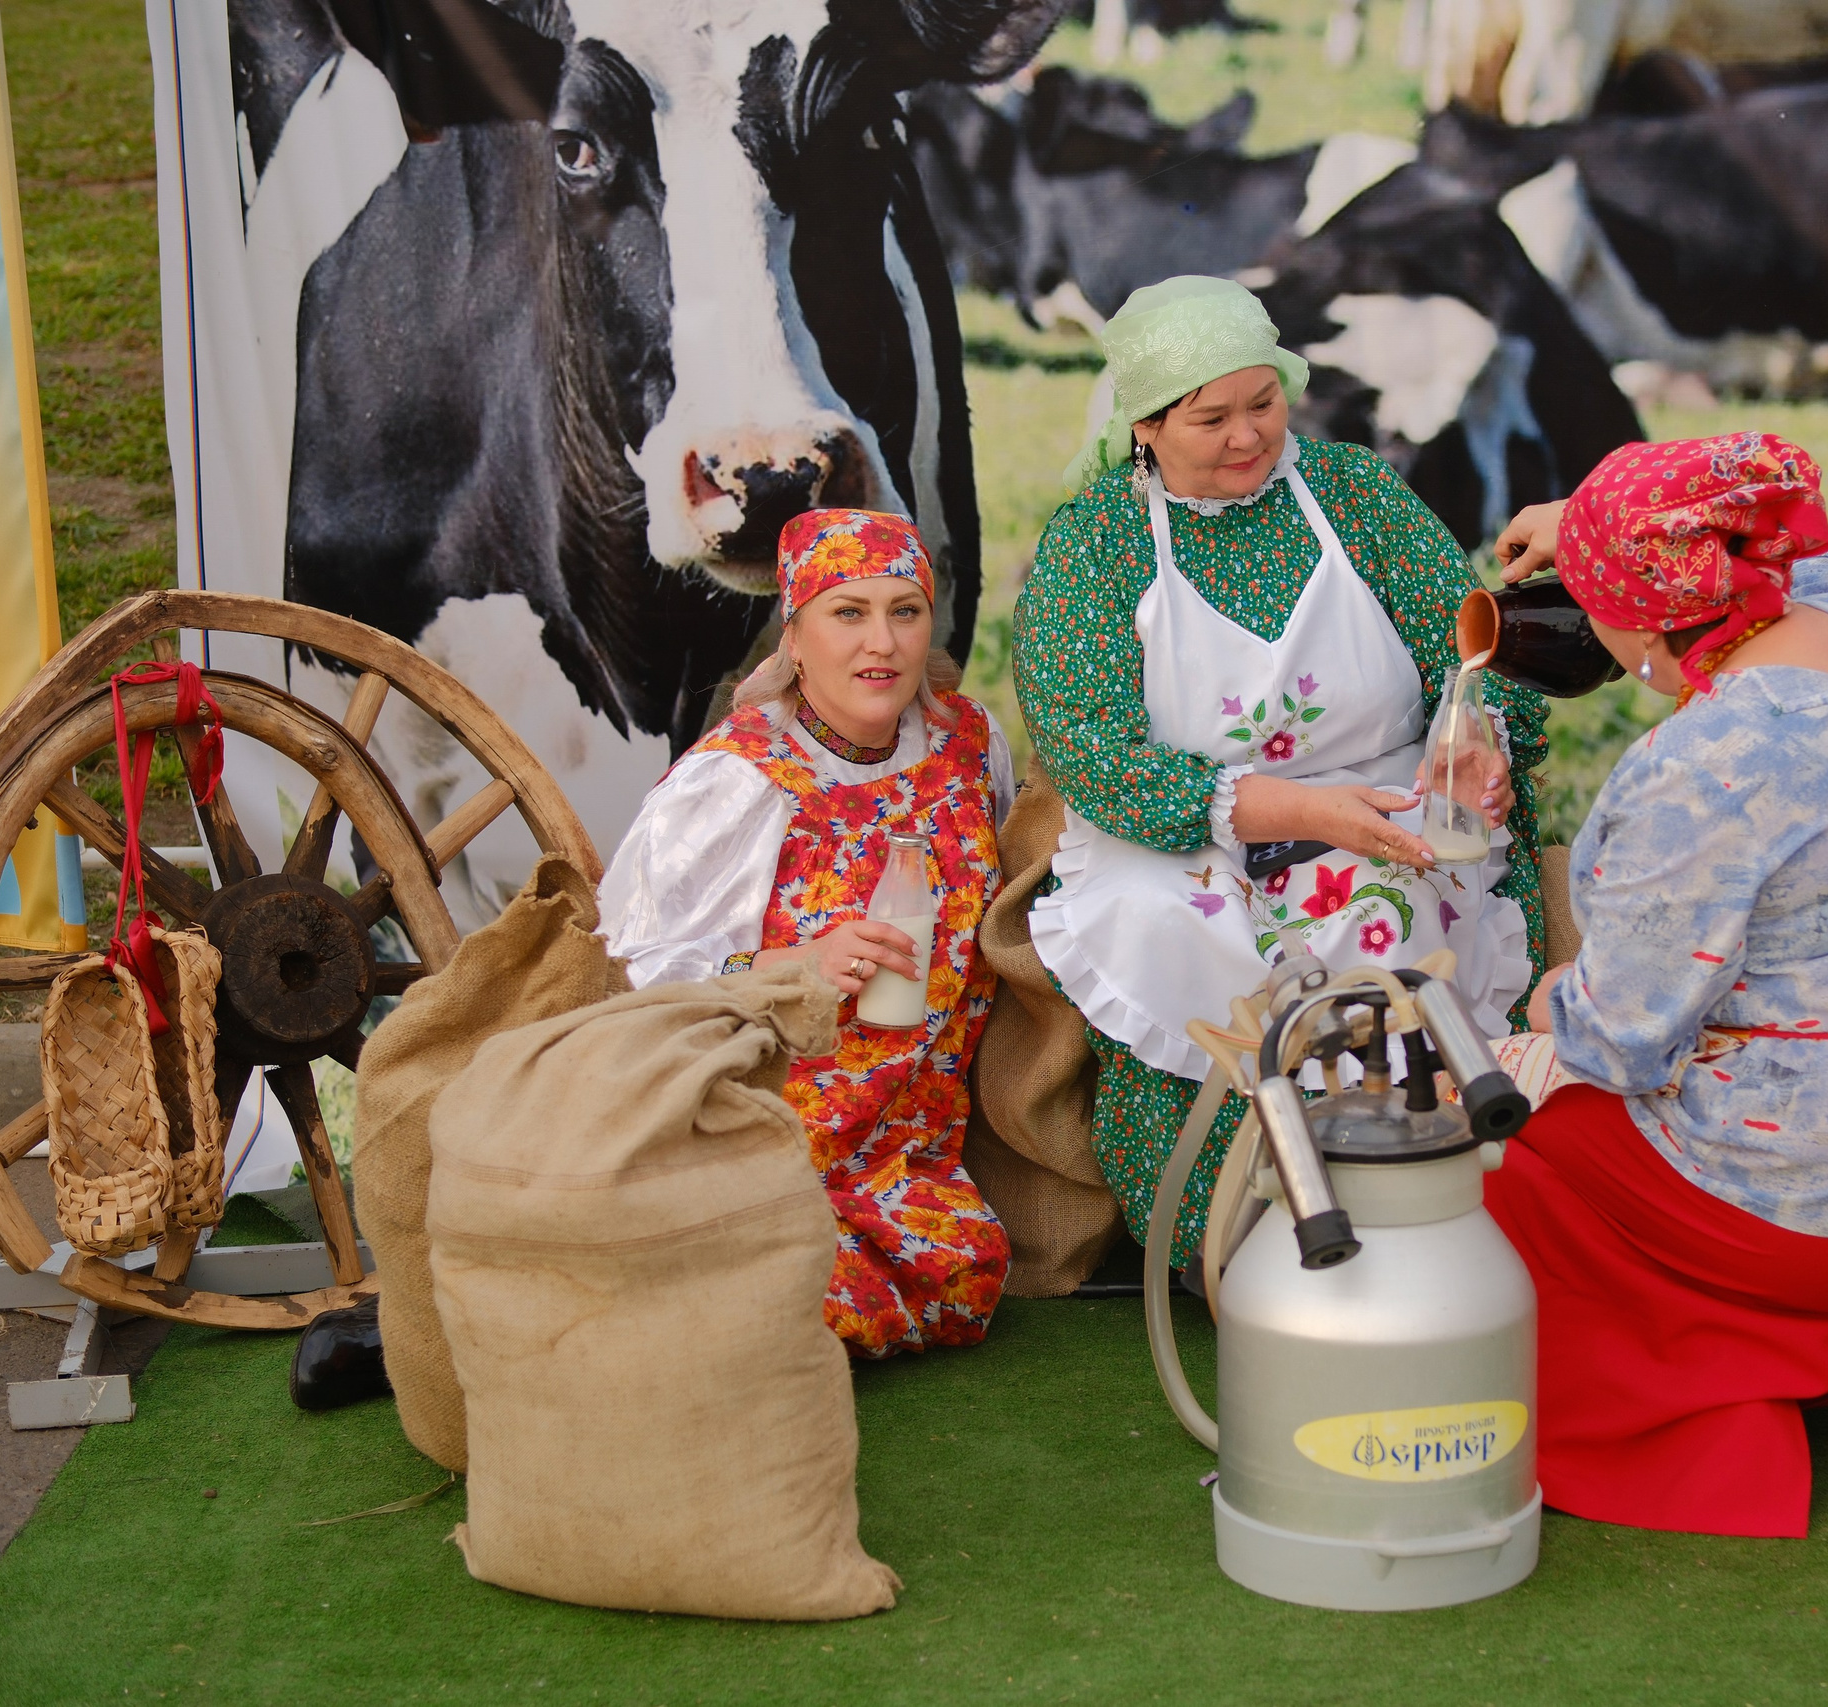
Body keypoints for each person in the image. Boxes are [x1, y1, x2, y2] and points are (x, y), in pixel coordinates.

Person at [1478, 433, 1828, 1537]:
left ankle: (1733, 1399)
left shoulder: (1705, 772)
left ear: (1646, 630)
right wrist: (1585, 522)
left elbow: (1620, 1039)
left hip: (1825, 1205)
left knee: (1511, 1175)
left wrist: (1550, 1002)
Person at [1015, 275, 1549, 1271]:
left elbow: (1471, 649)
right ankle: (1241, 1241)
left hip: (1387, 793)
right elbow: (1091, 747)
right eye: (1210, 418)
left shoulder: (1354, 495)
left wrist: (1475, 737)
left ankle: (1422, 1213)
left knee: (1393, 899)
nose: (1247, 435)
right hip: (1184, 822)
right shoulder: (1097, 542)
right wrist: (1299, 812)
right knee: (1173, 925)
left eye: (1263, 402)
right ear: (1145, 425)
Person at [599, 509, 1014, 1359]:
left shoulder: (968, 744)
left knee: (969, 1273)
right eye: (848, 612)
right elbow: (637, 973)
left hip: (907, 1146)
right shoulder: (741, 778)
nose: (882, 642)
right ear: (793, 636)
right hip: (766, 1131)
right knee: (789, 1290)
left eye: (904, 610)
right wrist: (794, 962)